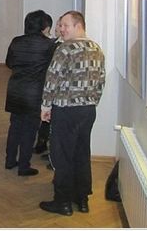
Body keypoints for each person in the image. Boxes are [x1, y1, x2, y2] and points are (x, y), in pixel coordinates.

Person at [39, 11, 106, 216]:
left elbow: (52, 79)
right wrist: (92, 102)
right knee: (81, 153)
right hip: (88, 111)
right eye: (60, 25)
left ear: (78, 26)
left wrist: (45, 107)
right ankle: (82, 199)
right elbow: (101, 81)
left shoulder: (65, 49)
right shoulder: (96, 48)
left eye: (65, 25)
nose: (61, 29)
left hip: (66, 110)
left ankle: (63, 202)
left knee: (62, 156)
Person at [4, 10, 56, 176]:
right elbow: (53, 68)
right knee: (30, 129)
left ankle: (10, 160)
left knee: (15, 126)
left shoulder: (16, 41)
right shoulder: (49, 45)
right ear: (44, 26)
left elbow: (9, 63)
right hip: (35, 92)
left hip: (15, 89)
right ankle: (24, 166)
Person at [35, 16, 63, 158]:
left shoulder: (61, 46)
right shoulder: (52, 43)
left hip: (56, 89)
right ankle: (42, 144)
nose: (57, 28)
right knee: (46, 119)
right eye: (57, 24)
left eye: (60, 25)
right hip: (47, 85)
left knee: (53, 122)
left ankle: (53, 153)